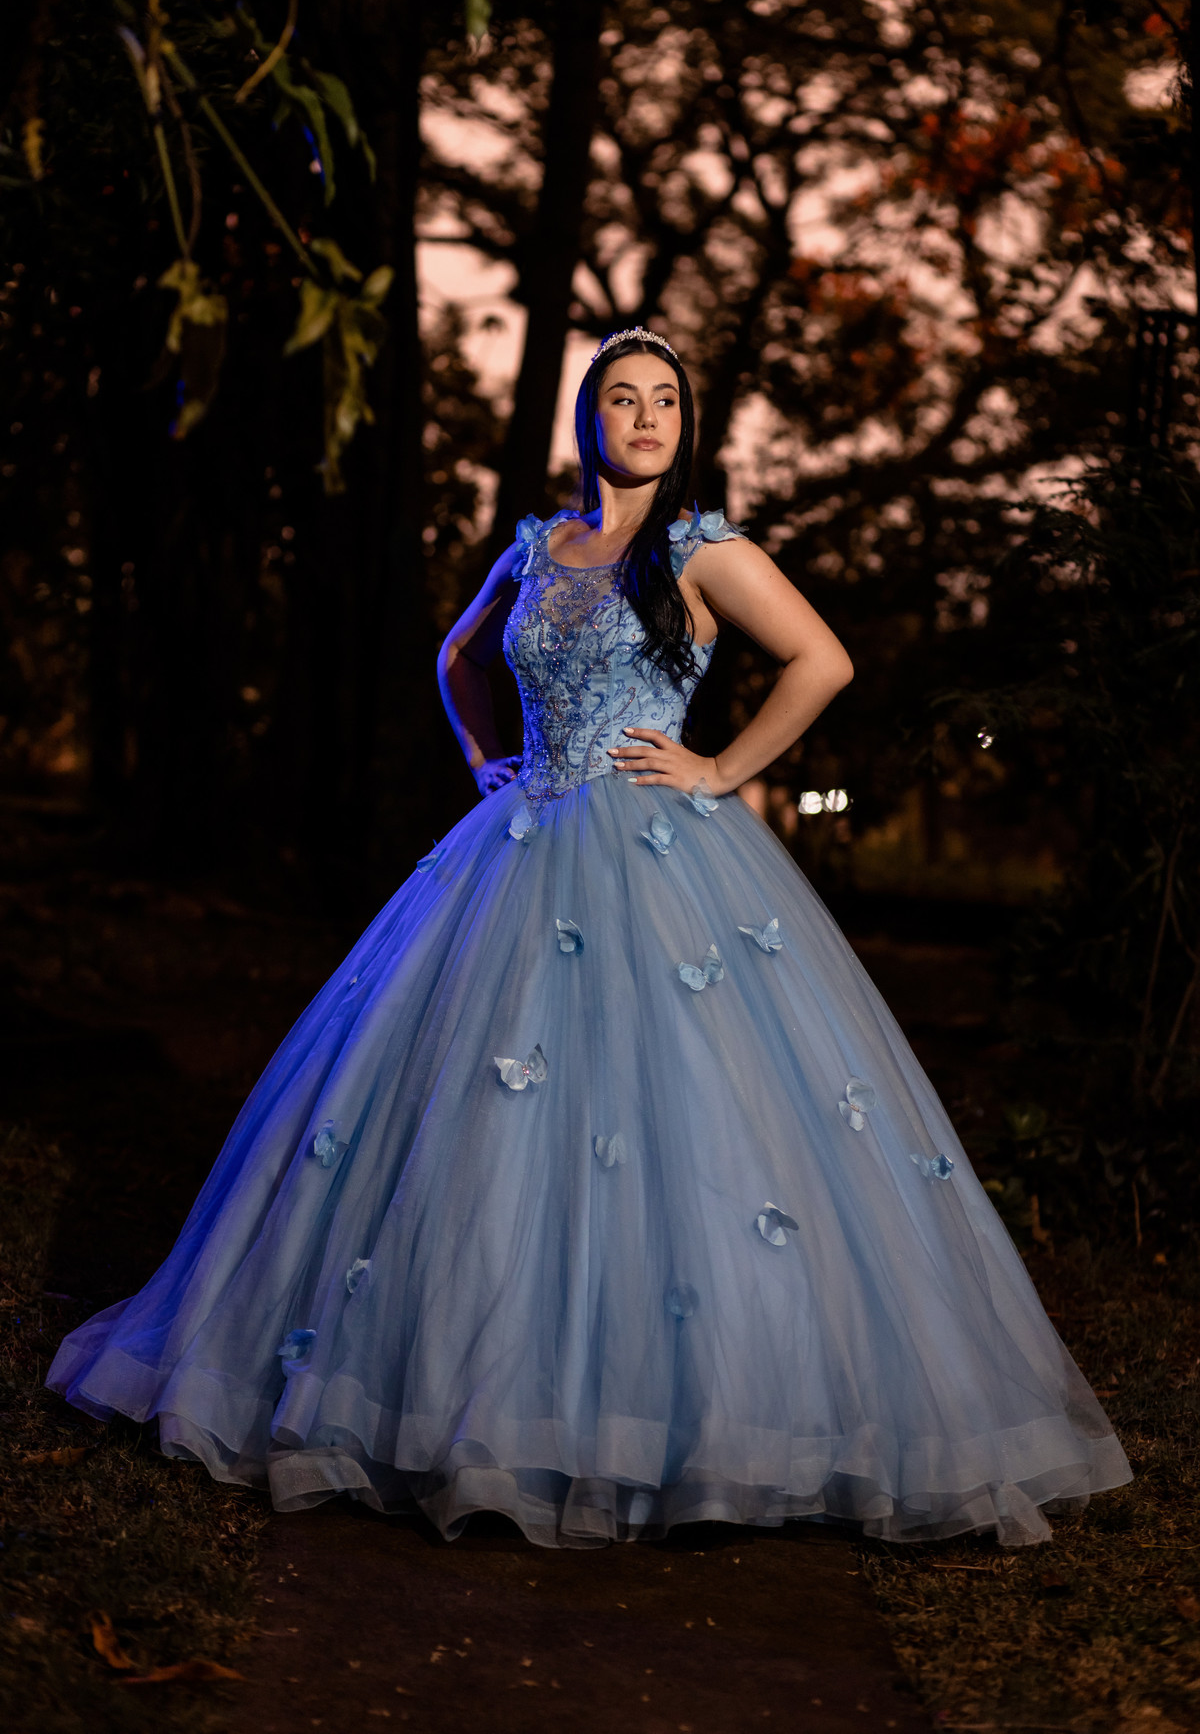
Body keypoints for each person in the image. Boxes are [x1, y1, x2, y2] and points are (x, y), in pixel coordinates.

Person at [48, 328, 1131, 1550]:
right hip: (515, 846)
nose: (648, 415)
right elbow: (458, 656)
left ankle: (680, 1420)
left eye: (667, 399)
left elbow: (821, 660)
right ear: (589, 419)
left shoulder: (702, 548)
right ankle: (468, 1396)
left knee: (676, 1113)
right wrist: (483, 757)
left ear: (686, 423)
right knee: (477, 1110)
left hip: (656, 854)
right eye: (624, 396)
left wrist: (718, 767)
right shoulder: (537, 546)